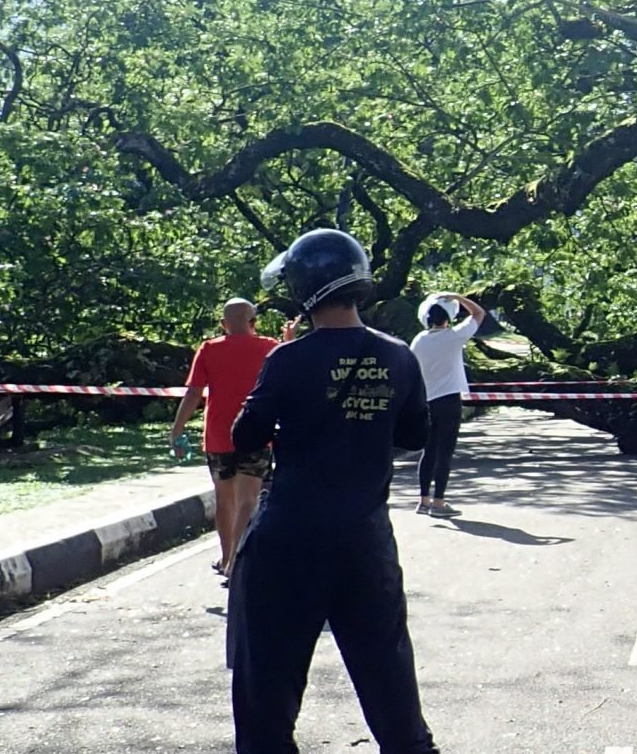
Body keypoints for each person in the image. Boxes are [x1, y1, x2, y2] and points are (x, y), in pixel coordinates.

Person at [225, 228, 438, 754]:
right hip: (365, 541)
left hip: (288, 539)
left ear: (303, 289)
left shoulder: (287, 358)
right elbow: (414, 436)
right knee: (388, 676)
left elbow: (244, 437)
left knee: (267, 688)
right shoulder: (399, 357)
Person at [168, 298, 282, 579]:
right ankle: (237, 562)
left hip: (219, 435)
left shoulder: (209, 349)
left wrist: (177, 429)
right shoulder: (270, 348)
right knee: (248, 499)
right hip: (256, 433)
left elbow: (194, 393)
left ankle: (226, 556)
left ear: (224, 324)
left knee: (224, 499)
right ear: (253, 322)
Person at [407, 291, 484, 516]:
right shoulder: (454, 336)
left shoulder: (418, 340)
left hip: (426, 401)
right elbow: (479, 313)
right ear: (448, 318)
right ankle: (439, 502)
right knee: (445, 452)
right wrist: (458, 296)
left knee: (428, 451)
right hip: (449, 400)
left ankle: (423, 500)